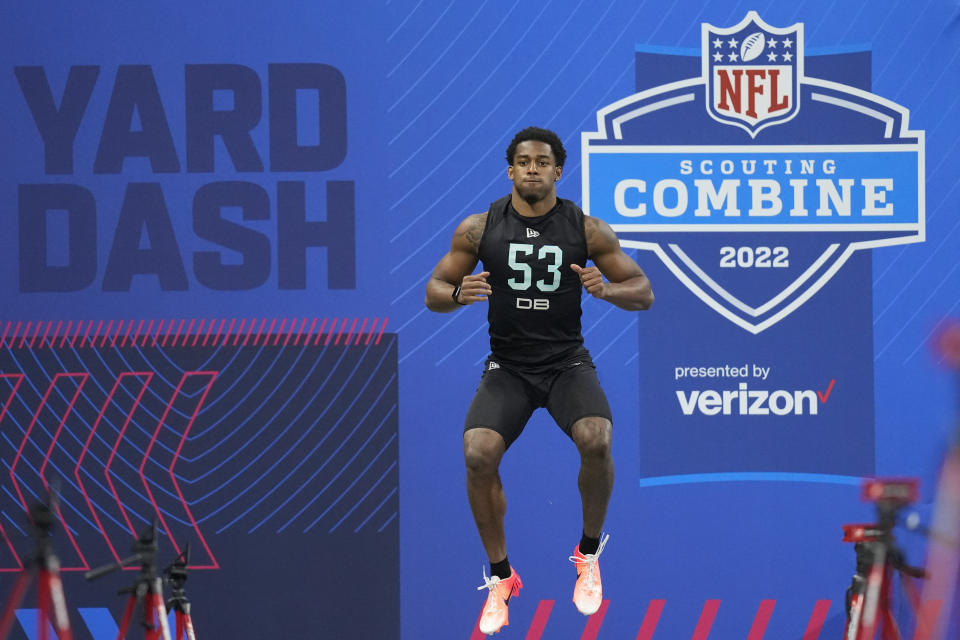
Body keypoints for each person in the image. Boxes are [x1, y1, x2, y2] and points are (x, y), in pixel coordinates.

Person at [425, 126, 654, 635]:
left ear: (557, 170)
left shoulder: (587, 228)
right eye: (523, 161)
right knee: (477, 452)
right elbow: (433, 290)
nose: (533, 168)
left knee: (597, 438)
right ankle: (502, 577)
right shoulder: (478, 229)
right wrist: (459, 294)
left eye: (542, 161)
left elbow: (643, 290)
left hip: (565, 362)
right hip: (508, 366)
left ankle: (588, 554)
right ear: (510, 170)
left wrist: (606, 291)